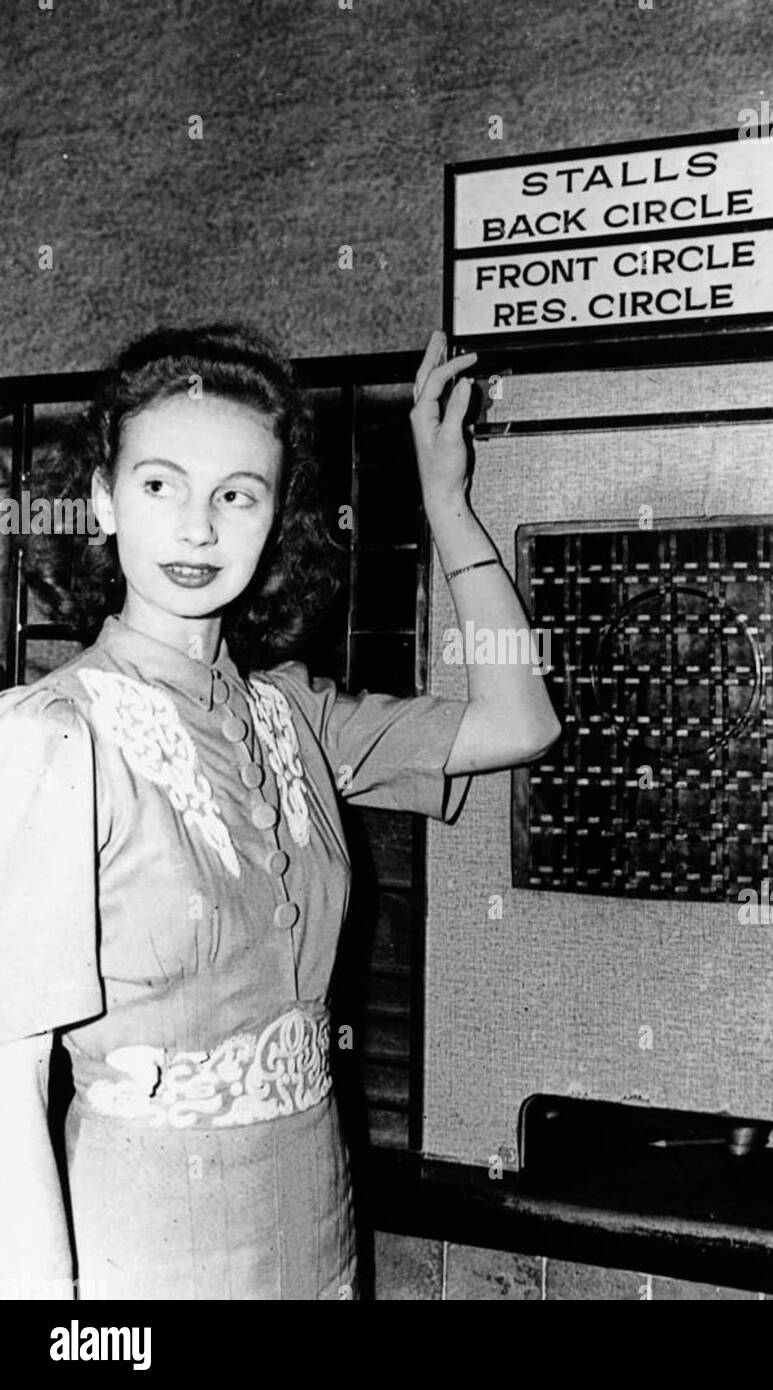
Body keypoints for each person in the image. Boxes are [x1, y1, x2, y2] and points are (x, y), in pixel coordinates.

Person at [0, 324, 560, 1301]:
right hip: (147, 1247)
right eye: (160, 485)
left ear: (275, 519)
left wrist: (448, 503)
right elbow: (6, 1092)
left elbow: (519, 718)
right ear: (101, 497)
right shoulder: (50, 735)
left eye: (237, 495)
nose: (198, 529)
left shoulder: (291, 711)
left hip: (319, 1221)